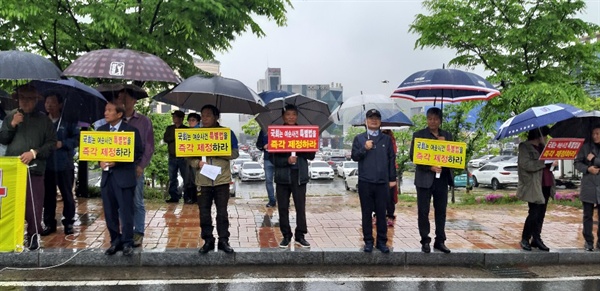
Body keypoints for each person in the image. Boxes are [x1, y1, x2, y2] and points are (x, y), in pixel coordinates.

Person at [0, 84, 57, 250]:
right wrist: (12, 124)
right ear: (17, 99)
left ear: (35, 100)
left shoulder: (44, 120)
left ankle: (33, 235)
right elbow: (3, 139)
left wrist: (34, 152)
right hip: (13, 170)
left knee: (34, 204)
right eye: (22, 98)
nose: (26, 102)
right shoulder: (11, 116)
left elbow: (52, 143)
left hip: (34, 168)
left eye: (30, 98)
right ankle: (11, 236)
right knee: (11, 204)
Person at [190, 105, 239, 254]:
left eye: (208, 115)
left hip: (221, 179)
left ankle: (224, 240)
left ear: (216, 117)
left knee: (222, 212)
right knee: (204, 212)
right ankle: (208, 240)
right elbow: (188, 156)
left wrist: (218, 150)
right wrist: (197, 163)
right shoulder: (194, 134)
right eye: (203, 115)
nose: (205, 118)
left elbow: (235, 153)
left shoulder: (226, 133)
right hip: (202, 180)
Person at [98, 101, 143, 256]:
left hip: (124, 177)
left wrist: (118, 160)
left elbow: (138, 152)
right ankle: (114, 241)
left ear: (119, 114)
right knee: (109, 212)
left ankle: (127, 242)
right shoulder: (100, 130)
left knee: (126, 212)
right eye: (105, 110)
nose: (106, 113)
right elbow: (94, 151)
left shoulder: (131, 131)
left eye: (109, 110)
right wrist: (100, 161)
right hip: (107, 177)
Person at [351, 109, 396, 253]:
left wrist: (392, 179)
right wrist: (364, 148)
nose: (374, 120)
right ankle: (368, 241)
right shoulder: (359, 138)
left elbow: (391, 160)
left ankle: (382, 242)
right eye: (371, 118)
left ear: (380, 121)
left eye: (377, 118)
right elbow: (354, 156)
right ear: (366, 121)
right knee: (366, 213)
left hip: (382, 183)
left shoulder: (386, 139)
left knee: (382, 214)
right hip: (365, 182)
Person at [271, 104, 315, 248]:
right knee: (283, 207)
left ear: (297, 116)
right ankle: (286, 235)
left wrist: (299, 149)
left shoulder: (303, 132)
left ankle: (300, 235)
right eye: (288, 114)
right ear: (283, 116)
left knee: (300, 207)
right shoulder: (277, 133)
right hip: (282, 177)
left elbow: (311, 155)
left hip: (299, 176)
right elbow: (273, 159)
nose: (291, 117)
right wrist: (287, 160)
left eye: (293, 114)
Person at [409, 107, 453, 254]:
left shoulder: (447, 135)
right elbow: (413, 156)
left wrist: (444, 146)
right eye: (430, 118)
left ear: (440, 120)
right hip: (424, 179)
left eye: (435, 119)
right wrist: (430, 167)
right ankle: (425, 240)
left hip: (442, 179)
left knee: (441, 211)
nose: (432, 121)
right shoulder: (419, 135)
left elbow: (455, 157)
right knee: (423, 211)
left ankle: (440, 241)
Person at [120, 87, 154, 248]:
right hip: (117, 168)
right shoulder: (114, 120)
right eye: (120, 98)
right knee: (120, 202)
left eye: (126, 98)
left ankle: (138, 232)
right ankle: (124, 232)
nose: (123, 101)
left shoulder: (143, 121)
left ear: (134, 101)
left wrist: (141, 166)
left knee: (137, 201)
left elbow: (149, 146)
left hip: (135, 167)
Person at [41, 92, 79, 236]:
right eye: (47, 102)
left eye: (53, 102)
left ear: (60, 105)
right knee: (48, 196)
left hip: (64, 164)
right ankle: (49, 223)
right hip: (47, 165)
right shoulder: (42, 121)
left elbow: (77, 139)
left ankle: (68, 222)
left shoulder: (68, 121)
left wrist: (63, 143)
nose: (49, 105)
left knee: (67, 195)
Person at [517, 126, 556, 252]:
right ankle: (525, 238)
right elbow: (526, 165)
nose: (546, 138)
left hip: (546, 183)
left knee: (541, 214)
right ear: (538, 135)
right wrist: (543, 162)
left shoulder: (544, 148)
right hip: (533, 185)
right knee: (534, 213)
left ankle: (536, 238)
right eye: (544, 136)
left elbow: (548, 164)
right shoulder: (525, 147)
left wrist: (553, 163)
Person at [574, 126, 600, 251]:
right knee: (587, 215)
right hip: (589, 184)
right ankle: (588, 241)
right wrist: (587, 169)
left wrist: (595, 160)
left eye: (598, 133)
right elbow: (577, 163)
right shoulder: (585, 147)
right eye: (593, 133)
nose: (595, 136)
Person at [163, 110, 188, 203]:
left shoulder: (186, 129)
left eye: (176, 117)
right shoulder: (170, 128)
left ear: (181, 118)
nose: (174, 119)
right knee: (172, 177)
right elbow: (166, 138)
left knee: (186, 177)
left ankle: (187, 196)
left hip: (183, 156)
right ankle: (174, 196)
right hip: (172, 156)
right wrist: (176, 136)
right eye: (173, 117)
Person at [381, 129, 399, 227]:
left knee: (390, 197)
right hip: (379, 172)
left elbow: (393, 156)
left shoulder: (392, 141)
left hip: (390, 172)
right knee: (379, 196)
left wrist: (392, 178)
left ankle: (390, 216)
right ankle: (378, 215)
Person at [183, 112, 201, 204]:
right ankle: (189, 197)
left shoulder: (200, 131)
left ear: (198, 121)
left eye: (193, 120)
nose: (191, 122)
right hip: (187, 158)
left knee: (195, 178)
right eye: (189, 120)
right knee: (188, 178)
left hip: (197, 158)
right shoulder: (185, 132)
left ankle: (196, 198)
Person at [256, 129, 276, 207]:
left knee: (281, 181)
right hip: (268, 158)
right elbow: (258, 144)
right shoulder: (264, 130)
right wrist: (263, 146)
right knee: (268, 181)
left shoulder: (282, 129)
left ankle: (282, 199)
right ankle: (272, 200)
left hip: (281, 159)